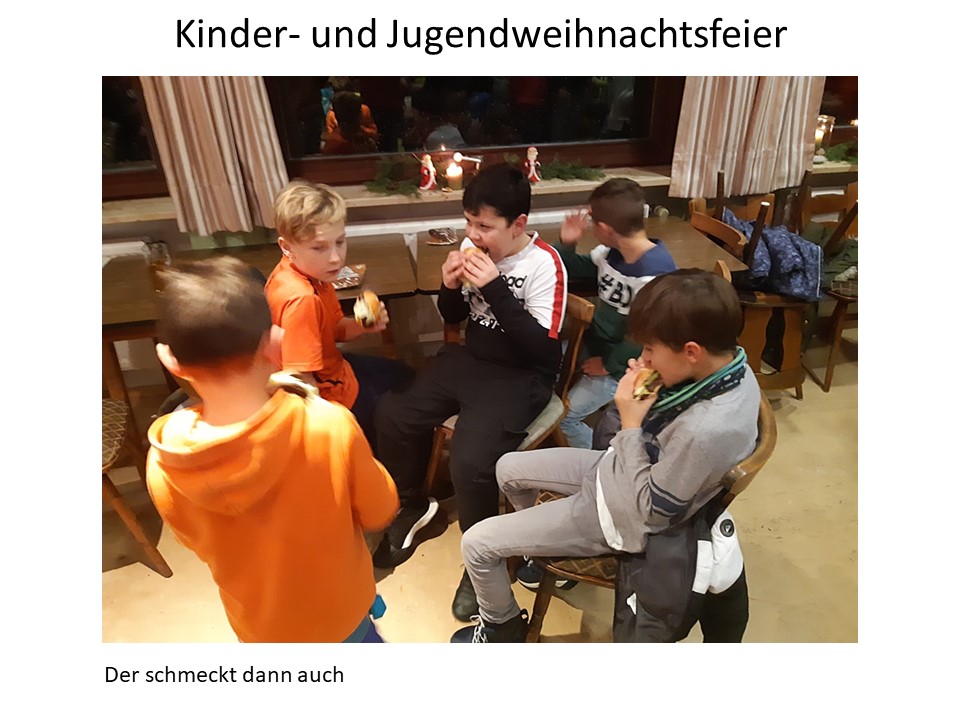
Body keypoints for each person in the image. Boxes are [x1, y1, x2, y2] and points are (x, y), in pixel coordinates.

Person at [452, 269, 760, 642]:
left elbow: (652, 510)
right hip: (618, 470)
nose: (643, 357)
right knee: (506, 468)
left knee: (476, 544)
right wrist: (647, 391)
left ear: (691, 352)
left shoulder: (706, 430)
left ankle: (502, 627)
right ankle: (538, 550)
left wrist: (630, 422)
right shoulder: (732, 367)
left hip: (622, 515)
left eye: (650, 349)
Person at [145, 256, 399, 642]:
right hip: (342, 616)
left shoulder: (164, 460)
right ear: (275, 343)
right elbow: (380, 509)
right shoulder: (328, 424)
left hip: (260, 630)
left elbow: (196, 541)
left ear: (171, 361)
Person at [373, 163, 568, 622]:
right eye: (468, 222)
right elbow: (454, 315)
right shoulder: (471, 249)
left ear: (518, 224)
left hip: (522, 376)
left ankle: (482, 557)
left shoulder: (545, 265)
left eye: (484, 226)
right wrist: (448, 285)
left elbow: (543, 351)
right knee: (393, 413)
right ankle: (411, 506)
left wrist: (496, 287)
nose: (473, 234)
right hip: (471, 360)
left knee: (470, 460)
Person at [265, 180, 413, 446]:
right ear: (287, 246)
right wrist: (331, 433)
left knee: (403, 373)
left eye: (340, 242)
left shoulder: (313, 274)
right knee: (403, 403)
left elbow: (335, 330)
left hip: (335, 368)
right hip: (329, 395)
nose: (335, 257)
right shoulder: (301, 299)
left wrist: (362, 325)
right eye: (319, 247)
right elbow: (301, 383)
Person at [554, 178, 677, 450]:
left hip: (625, 365)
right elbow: (571, 269)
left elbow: (648, 336)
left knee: (565, 419)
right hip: (597, 344)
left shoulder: (654, 274)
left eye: (592, 222)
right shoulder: (613, 254)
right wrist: (567, 242)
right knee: (545, 365)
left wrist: (609, 365)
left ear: (605, 229)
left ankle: (597, 464)